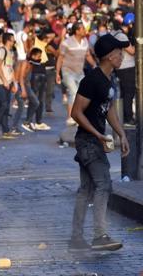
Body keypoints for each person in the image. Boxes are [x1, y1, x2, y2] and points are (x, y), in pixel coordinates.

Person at [69, 33, 130, 251]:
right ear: (109, 56)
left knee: (86, 189)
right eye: (119, 53)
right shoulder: (91, 80)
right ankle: (99, 235)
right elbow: (76, 112)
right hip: (87, 143)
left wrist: (121, 133)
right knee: (104, 184)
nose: (122, 56)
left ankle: (76, 239)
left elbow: (109, 108)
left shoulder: (109, 79)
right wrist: (98, 135)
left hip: (93, 140)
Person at [56, 22, 96, 126]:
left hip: (80, 72)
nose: (84, 31)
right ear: (77, 31)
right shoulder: (67, 42)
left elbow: (87, 55)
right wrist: (57, 73)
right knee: (73, 93)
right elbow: (60, 58)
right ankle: (70, 117)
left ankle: (79, 116)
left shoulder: (85, 41)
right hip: (68, 71)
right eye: (82, 29)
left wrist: (95, 66)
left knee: (83, 95)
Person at [0, 33, 17, 139]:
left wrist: (14, 83)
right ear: (8, 41)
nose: (14, 42)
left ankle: (5, 130)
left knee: (6, 106)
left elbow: (11, 68)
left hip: (8, 82)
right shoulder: (2, 51)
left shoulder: (10, 52)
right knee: (4, 104)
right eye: (12, 40)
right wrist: (4, 80)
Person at [18, 47, 50, 132]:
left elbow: (27, 79)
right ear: (32, 55)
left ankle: (27, 122)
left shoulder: (31, 64)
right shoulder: (26, 63)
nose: (39, 58)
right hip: (21, 85)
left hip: (26, 85)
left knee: (35, 102)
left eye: (40, 56)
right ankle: (25, 122)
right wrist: (23, 89)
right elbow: (21, 77)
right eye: (38, 56)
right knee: (34, 102)